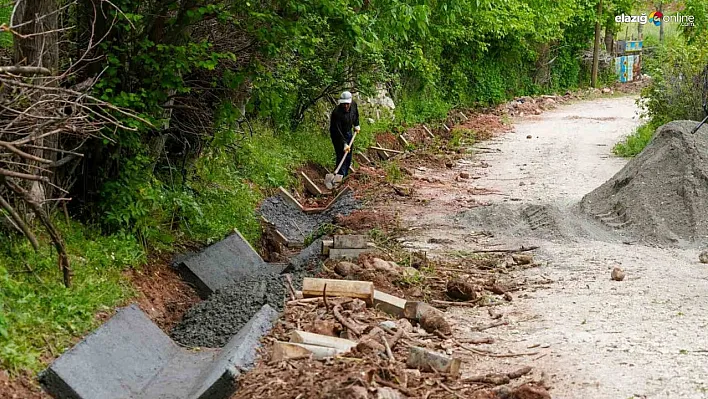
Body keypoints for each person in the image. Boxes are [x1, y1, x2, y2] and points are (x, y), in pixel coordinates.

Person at [329, 91, 360, 178]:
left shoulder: (353, 105)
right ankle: (340, 176)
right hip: (337, 135)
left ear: (350, 102)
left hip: (348, 131)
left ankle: (345, 174)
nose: (345, 106)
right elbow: (337, 130)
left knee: (348, 154)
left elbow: (356, 115)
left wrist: (356, 124)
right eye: (343, 104)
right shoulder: (336, 113)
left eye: (347, 104)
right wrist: (344, 143)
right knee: (341, 154)